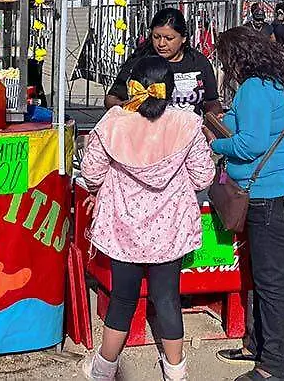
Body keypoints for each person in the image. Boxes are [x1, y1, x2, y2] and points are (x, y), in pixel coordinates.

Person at [81, 55, 215, 381]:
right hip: (169, 227)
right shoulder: (186, 125)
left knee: (123, 297)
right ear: (170, 88)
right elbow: (203, 177)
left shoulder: (113, 122)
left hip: (122, 226)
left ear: (133, 86)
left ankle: (104, 367)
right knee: (167, 297)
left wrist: (100, 186)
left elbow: (91, 173)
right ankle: (176, 371)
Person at [209, 28, 284, 381]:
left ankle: (273, 367)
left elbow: (250, 145)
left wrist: (217, 145)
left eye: (225, 60)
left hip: (268, 195)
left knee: (270, 283)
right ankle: (257, 343)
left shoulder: (254, 87)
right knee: (269, 275)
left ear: (237, 59)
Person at [105, 8, 220, 116]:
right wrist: (127, 108)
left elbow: (212, 102)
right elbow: (112, 98)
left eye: (169, 38)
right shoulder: (140, 62)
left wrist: (211, 118)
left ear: (183, 38)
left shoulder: (199, 62)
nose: (161, 44)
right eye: (156, 37)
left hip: (189, 132)